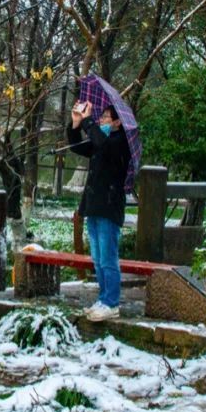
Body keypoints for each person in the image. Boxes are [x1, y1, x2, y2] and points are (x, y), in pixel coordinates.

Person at [67, 100, 131, 321]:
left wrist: (88, 121)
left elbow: (102, 144)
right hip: (94, 206)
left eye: (105, 117)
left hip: (109, 206)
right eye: (101, 116)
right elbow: (76, 146)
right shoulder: (101, 140)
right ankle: (103, 298)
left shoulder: (120, 143)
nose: (102, 120)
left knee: (108, 258)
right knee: (97, 257)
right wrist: (76, 124)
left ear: (117, 122)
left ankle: (111, 302)